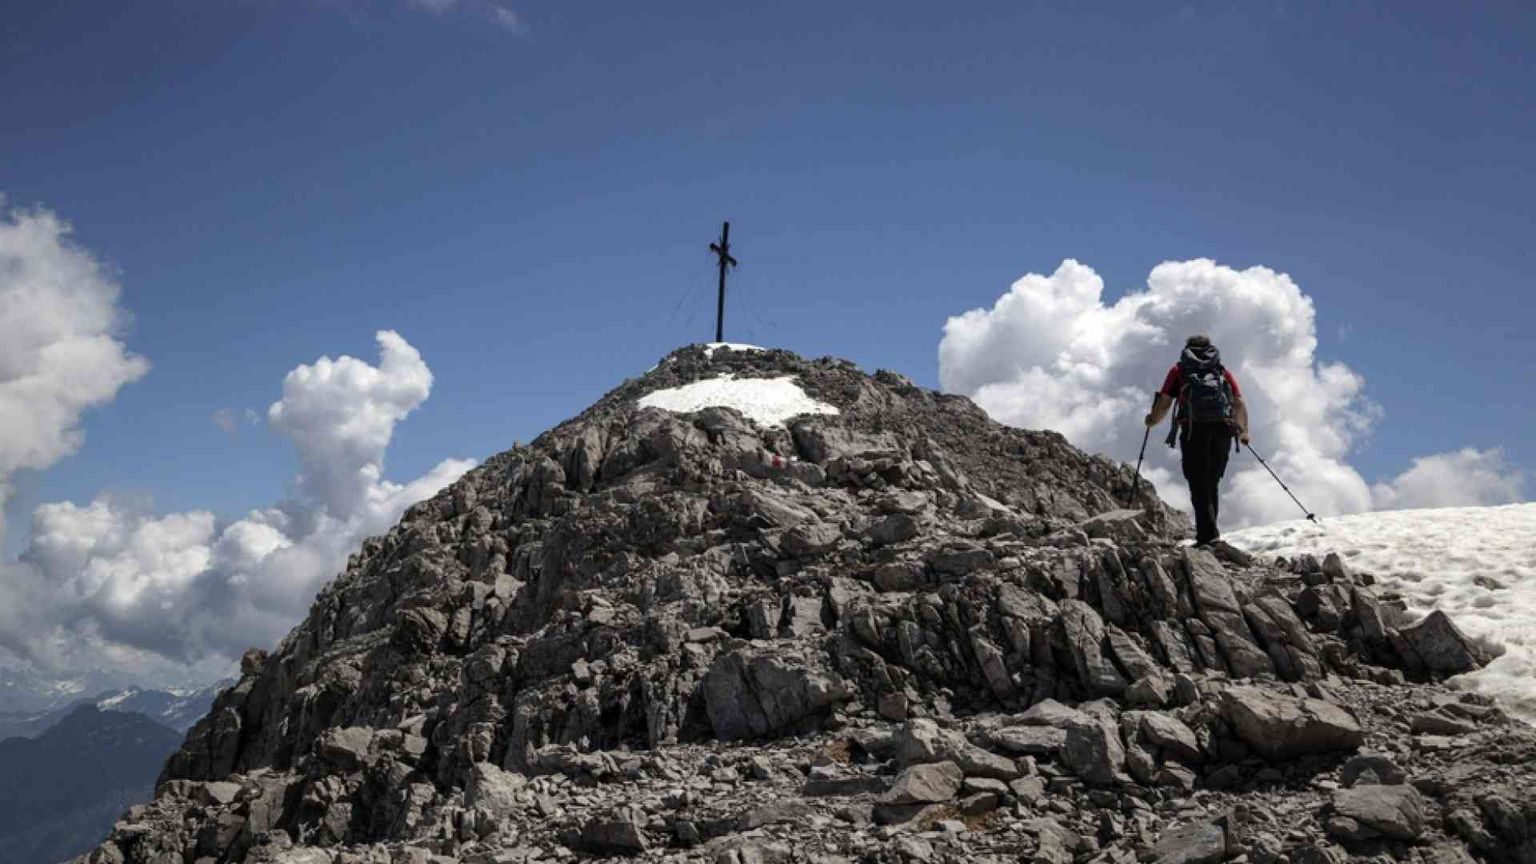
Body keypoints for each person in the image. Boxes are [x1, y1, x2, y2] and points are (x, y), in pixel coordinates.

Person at [1143, 335, 1250, 547]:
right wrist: (1244, 431)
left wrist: (1152, 420)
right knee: (1211, 482)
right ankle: (1211, 534)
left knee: (1198, 482)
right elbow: (1238, 401)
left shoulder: (1179, 370)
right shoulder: (1221, 370)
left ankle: (1207, 537)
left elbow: (1165, 402)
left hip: (1194, 429)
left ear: (1187, 348)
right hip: (1223, 430)